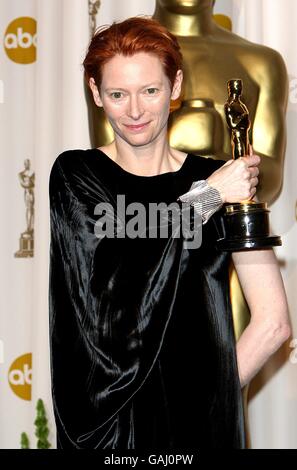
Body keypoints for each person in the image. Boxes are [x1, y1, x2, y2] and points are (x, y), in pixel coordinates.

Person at [49, 17, 290, 449]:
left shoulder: (221, 178)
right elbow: (121, 264)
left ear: (175, 86)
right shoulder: (77, 176)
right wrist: (209, 196)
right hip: (109, 429)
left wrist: (213, 399)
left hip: (204, 429)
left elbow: (273, 321)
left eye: (150, 91)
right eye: (117, 94)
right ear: (95, 94)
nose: (135, 111)